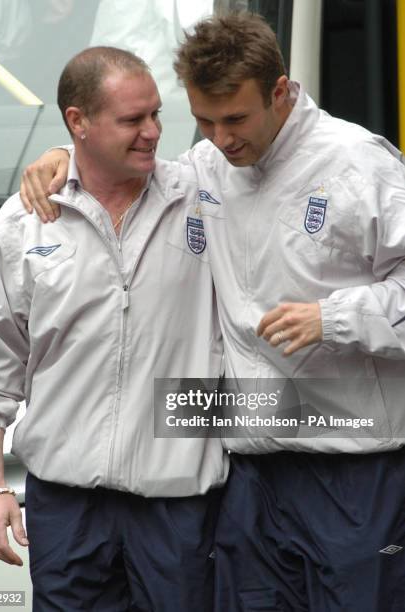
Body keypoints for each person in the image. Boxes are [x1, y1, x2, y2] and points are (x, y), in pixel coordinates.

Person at [21, 12, 405, 612]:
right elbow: (119, 169)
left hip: (353, 471)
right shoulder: (204, 169)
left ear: (280, 92)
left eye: (235, 119)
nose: (221, 138)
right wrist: (62, 154)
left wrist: (337, 317)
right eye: (203, 120)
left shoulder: (361, 163)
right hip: (249, 476)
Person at [0, 46, 228, 612]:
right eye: (132, 120)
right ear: (77, 123)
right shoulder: (23, 220)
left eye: (156, 114)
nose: (153, 131)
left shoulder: (203, 195)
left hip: (180, 509)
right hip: (66, 509)